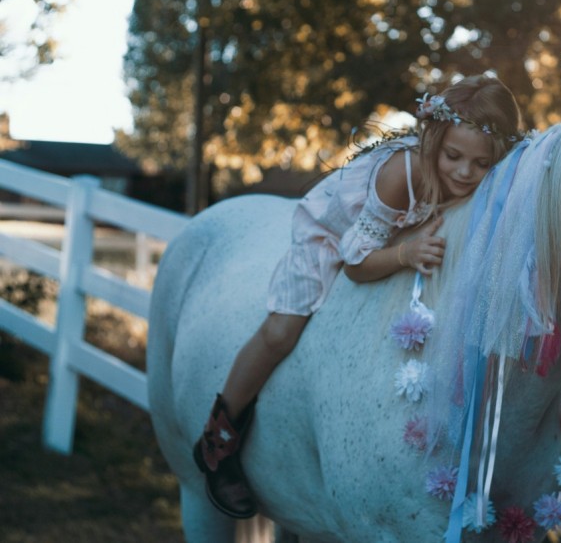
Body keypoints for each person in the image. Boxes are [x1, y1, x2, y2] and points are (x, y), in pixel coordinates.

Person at [193, 75, 522, 518]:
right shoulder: (403, 173)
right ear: (434, 141)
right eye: (453, 156)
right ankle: (218, 439)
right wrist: (405, 253)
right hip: (334, 234)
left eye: (481, 163)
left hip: (394, 233)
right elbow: (355, 263)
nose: (464, 172)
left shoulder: (483, 179)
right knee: (282, 330)